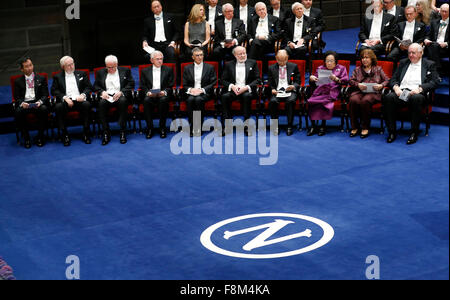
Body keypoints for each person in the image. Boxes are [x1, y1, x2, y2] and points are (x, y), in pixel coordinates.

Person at [383, 43, 439, 144]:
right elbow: (393, 79)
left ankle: (414, 133)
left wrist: (420, 89)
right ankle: (392, 132)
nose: (411, 55)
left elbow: (434, 81)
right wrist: (396, 88)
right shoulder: (403, 62)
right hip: (402, 92)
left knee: (416, 99)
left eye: (414, 53)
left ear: (421, 53)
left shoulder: (429, 64)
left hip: (417, 93)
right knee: (389, 97)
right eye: (409, 53)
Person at [51, 56, 93, 146]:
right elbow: (54, 90)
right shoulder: (57, 77)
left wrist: (83, 95)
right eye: (68, 65)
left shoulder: (82, 74)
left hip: (79, 100)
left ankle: (86, 132)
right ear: (63, 67)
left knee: (87, 105)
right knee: (58, 107)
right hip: (66, 101)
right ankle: (64, 134)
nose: (71, 66)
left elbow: (89, 87)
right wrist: (65, 97)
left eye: (72, 64)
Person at [93, 55, 135, 145]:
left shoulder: (125, 71)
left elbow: (131, 84)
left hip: (119, 95)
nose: (110, 69)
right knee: (101, 103)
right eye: (108, 67)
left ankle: (122, 131)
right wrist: (102, 92)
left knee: (123, 101)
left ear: (116, 64)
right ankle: (106, 132)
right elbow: (96, 86)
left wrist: (121, 92)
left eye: (112, 67)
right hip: (107, 96)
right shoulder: (100, 72)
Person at [348, 49, 390, 138]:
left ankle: (365, 127)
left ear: (371, 59)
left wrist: (381, 86)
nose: (364, 60)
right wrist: (358, 84)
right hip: (360, 91)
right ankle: (355, 126)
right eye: (362, 58)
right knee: (353, 99)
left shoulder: (378, 69)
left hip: (373, 93)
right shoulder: (357, 70)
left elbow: (387, 80)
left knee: (365, 100)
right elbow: (351, 81)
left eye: (367, 58)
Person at [220, 46, 261, 136]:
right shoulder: (229, 64)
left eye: (244, 53)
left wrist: (246, 87)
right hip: (234, 89)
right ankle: (227, 125)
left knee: (247, 96)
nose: (243, 55)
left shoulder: (253, 63)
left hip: (246, 89)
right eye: (240, 54)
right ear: (235, 55)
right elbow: (222, 80)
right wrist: (232, 86)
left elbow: (258, 79)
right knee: (224, 97)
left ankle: (247, 126)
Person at [306, 50, 348, 136]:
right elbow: (314, 82)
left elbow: (346, 81)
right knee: (310, 101)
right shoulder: (320, 68)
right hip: (320, 91)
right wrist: (312, 78)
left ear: (335, 61)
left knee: (323, 102)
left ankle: (322, 126)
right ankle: (313, 126)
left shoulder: (341, 68)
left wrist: (336, 79)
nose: (329, 63)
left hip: (333, 92)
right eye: (327, 61)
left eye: (331, 61)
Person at [13, 57, 50, 148]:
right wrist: (22, 103)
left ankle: (40, 136)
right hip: (25, 104)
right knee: (18, 112)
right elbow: (16, 97)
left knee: (44, 109)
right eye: (26, 66)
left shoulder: (41, 78)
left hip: (37, 103)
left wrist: (40, 102)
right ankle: (26, 138)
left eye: (30, 65)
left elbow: (45, 94)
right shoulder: (17, 81)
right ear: (22, 69)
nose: (29, 68)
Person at [182, 47, 217, 137]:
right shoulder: (187, 68)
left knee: (198, 100)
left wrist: (201, 90)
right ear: (192, 57)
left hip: (205, 92)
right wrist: (191, 90)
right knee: (190, 100)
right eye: (197, 55)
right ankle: (192, 125)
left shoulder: (210, 67)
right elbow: (184, 84)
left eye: (201, 55)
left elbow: (213, 82)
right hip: (192, 92)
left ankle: (198, 126)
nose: (200, 57)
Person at [140, 51, 174, 139]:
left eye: (161, 59)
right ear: (151, 60)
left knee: (163, 100)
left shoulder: (168, 69)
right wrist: (148, 93)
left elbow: (170, 85)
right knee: (146, 100)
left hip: (162, 94)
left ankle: (162, 128)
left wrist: (164, 92)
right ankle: (150, 128)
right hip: (150, 94)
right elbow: (143, 86)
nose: (160, 61)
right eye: (157, 59)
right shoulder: (145, 71)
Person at [267, 49, 301, 136]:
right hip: (277, 91)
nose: (282, 62)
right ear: (276, 58)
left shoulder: (294, 66)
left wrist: (293, 86)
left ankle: (289, 125)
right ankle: (275, 126)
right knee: (273, 102)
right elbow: (270, 83)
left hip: (290, 90)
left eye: (284, 60)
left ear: (287, 58)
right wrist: (272, 89)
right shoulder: (271, 68)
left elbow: (298, 81)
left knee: (290, 101)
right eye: (279, 60)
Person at [424, 3, 448, 72]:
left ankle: (432, 71)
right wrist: (426, 39)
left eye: (445, 11)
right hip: (434, 45)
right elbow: (428, 35)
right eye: (442, 11)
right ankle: (436, 71)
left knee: (432, 47)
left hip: (445, 48)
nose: (443, 13)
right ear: (439, 11)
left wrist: (446, 43)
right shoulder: (434, 22)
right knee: (433, 46)